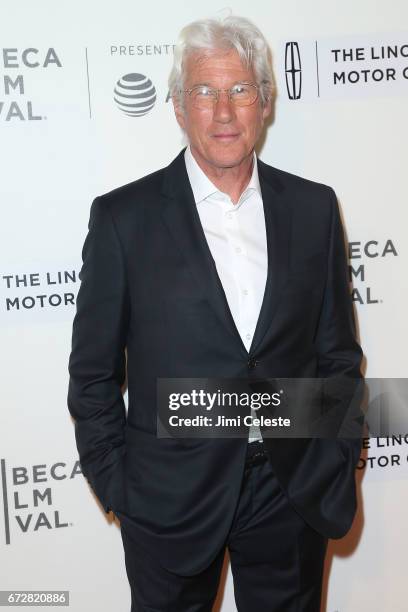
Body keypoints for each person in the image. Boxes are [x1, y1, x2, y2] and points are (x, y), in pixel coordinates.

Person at [67, 14, 363, 612]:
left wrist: (333, 460)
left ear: (265, 102)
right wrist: (123, 489)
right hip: (169, 500)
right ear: (178, 106)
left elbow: (338, 355)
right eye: (204, 92)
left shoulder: (314, 209)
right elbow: (93, 375)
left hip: (292, 490)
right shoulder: (123, 220)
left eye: (240, 91)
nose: (223, 112)